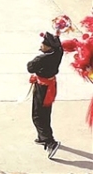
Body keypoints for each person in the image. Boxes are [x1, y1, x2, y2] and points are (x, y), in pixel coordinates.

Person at [27, 22, 64, 159]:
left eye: (43, 44)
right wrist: (57, 35)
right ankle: (42, 137)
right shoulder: (58, 52)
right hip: (50, 85)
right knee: (45, 112)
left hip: (42, 88)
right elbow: (59, 46)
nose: (41, 45)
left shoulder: (42, 58)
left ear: (48, 47)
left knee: (38, 115)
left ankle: (50, 142)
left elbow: (30, 67)